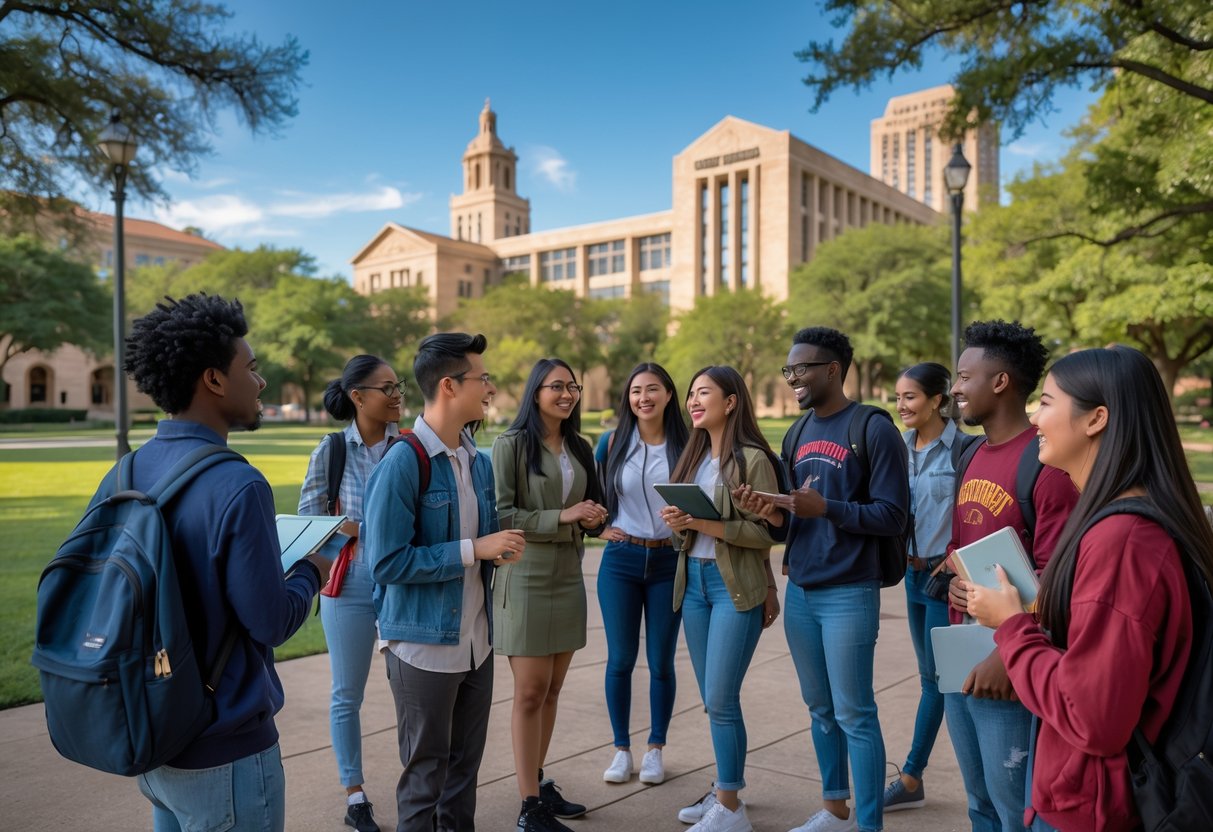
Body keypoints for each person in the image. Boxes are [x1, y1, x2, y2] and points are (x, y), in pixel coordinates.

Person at [968, 346, 1213, 832]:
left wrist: (1013, 627)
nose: (1035, 417)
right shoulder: (1122, 520)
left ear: (1096, 418)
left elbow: (1093, 717)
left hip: (1096, 809)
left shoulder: (1123, 540)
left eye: (1048, 402)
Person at [117, 294, 328, 831]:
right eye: (251, 369)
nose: (260, 383)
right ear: (214, 380)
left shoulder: (127, 471)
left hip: (154, 733)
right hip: (225, 747)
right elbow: (271, 621)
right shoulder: (237, 482)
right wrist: (312, 570)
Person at [746, 327, 908, 832]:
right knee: (820, 709)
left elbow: (893, 516)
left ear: (833, 370)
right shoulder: (796, 433)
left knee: (855, 713)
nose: (792, 377)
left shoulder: (873, 428)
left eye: (801, 369)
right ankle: (835, 810)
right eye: (788, 369)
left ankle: (868, 824)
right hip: (803, 590)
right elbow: (796, 516)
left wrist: (829, 508)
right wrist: (767, 511)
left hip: (850, 590)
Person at [362, 333, 525, 832]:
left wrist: (497, 551)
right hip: (422, 647)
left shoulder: (476, 460)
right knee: (425, 776)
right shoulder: (402, 463)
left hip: (476, 643)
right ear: (450, 386)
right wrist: (474, 549)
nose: (491, 389)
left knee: (463, 775)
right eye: (484, 379)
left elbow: (483, 544)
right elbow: (386, 562)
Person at [944, 320, 1079, 832]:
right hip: (961, 650)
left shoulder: (1045, 466)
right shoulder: (972, 454)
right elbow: (960, 544)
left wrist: (1007, 656)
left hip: (1012, 661)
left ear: (999, 383)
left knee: (1013, 808)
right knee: (978, 802)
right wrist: (955, 577)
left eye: (963, 376)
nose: (955, 388)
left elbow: (1057, 576)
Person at [661, 365, 783, 832]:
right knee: (715, 702)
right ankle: (724, 792)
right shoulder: (691, 460)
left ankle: (730, 808)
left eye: (703, 393)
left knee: (721, 696)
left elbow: (767, 533)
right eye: (690, 394)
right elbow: (686, 538)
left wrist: (700, 524)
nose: (693, 401)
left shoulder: (752, 459)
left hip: (734, 588)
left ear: (730, 401)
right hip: (693, 584)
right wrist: (678, 527)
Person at [492, 358, 608, 832]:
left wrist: (593, 519)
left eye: (572, 386)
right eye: (556, 386)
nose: (567, 393)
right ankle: (528, 808)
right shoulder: (511, 445)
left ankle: (536, 785)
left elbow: (592, 512)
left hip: (568, 574)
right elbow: (502, 516)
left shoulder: (581, 446)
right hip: (526, 576)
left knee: (554, 690)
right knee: (530, 692)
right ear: (535, 392)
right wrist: (562, 516)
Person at [298, 355, 403, 832]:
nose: (399, 394)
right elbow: (309, 521)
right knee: (347, 694)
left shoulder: (410, 448)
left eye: (399, 385)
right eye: (388, 387)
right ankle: (355, 794)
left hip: (405, 580)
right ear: (358, 396)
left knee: (414, 691)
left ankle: (420, 785)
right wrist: (356, 527)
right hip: (351, 582)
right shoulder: (333, 450)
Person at [594, 363, 690, 785]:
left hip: (669, 562)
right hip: (621, 560)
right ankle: (621, 749)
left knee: (661, 662)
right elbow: (589, 493)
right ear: (628, 398)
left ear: (669, 395)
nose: (643, 398)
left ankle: (655, 748)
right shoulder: (612, 442)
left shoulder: (689, 446)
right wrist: (598, 527)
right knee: (619, 660)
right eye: (636, 391)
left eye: (653, 389)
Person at [883, 362, 968, 812]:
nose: (901, 406)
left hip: (945, 578)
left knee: (939, 681)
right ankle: (918, 777)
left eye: (911, 397)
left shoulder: (964, 452)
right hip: (911, 574)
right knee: (929, 678)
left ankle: (913, 775)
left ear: (938, 400)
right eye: (897, 398)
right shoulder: (897, 448)